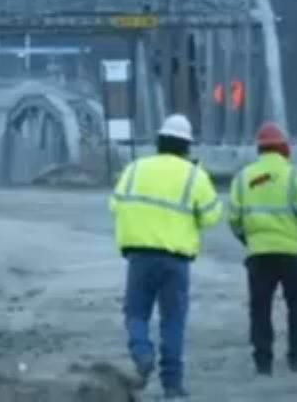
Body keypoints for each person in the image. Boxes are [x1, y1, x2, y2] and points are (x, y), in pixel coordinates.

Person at [110, 113, 223, 399]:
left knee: (136, 312)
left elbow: (115, 205)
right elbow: (212, 217)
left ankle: (142, 352)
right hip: (176, 261)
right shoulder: (194, 176)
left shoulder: (135, 169)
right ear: (187, 146)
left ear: (159, 141)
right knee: (173, 321)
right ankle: (172, 385)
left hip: (139, 257)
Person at [228, 121, 297, 375]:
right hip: (292, 252)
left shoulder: (244, 178)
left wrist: (250, 240)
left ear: (260, 149)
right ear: (284, 148)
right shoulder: (296, 177)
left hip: (258, 254)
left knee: (260, 308)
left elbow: (234, 219)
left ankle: (263, 362)